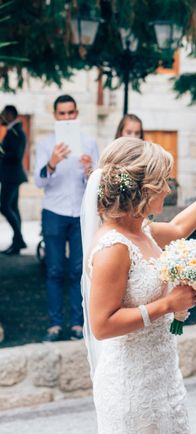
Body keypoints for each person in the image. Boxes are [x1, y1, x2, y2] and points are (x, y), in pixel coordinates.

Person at [81, 137, 196, 434]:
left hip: (163, 376)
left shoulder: (142, 230)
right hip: (132, 387)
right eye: (165, 183)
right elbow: (102, 324)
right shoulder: (114, 247)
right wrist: (167, 304)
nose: (169, 190)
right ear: (143, 189)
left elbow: (182, 227)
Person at [35, 95, 99, 342]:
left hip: (80, 212)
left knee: (78, 270)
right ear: (55, 116)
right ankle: (54, 324)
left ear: (76, 113)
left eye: (70, 113)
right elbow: (38, 181)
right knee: (54, 269)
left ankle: (76, 323)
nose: (67, 117)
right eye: (62, 114)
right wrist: (52, 162)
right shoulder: (45, 144)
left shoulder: (88, 142)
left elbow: (95, 182)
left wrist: (88, 171)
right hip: (53, 211)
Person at [0, 105, 28, 255]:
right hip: (10, 176)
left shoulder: (17, 132)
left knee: (4, 206)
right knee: (14, 208)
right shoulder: (11, 130)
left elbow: (16, 155)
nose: (2, 116)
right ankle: (17, 242)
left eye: (4, 114)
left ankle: (19, 239)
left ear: (10, 114)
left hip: (12, 176)